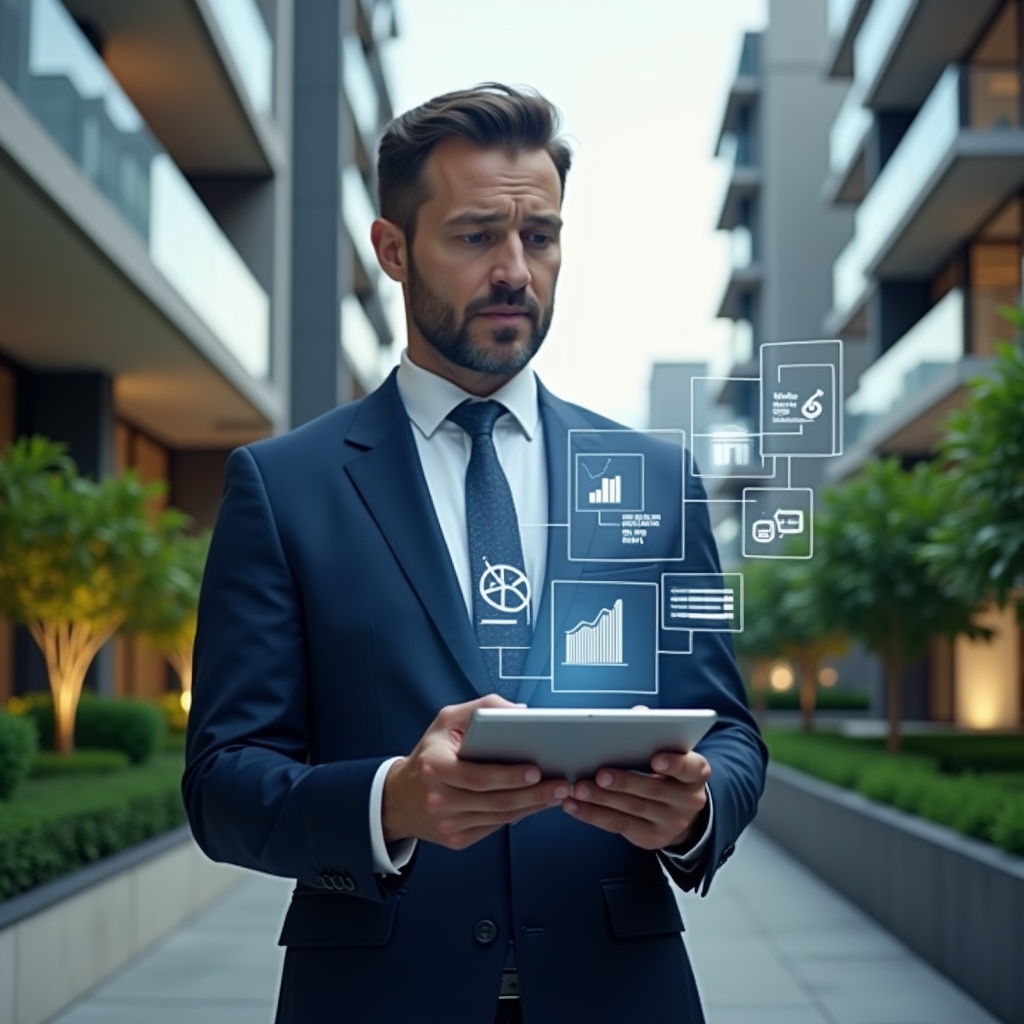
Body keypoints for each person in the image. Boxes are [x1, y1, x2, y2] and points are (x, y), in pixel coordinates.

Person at [183, 83, 767, 1024]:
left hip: (622, 993)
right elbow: (222, 784)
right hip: (375, 998)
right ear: (392, 249)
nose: (515, 271)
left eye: (540, 236)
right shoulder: (283, 486)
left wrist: (696, 814)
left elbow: (731, 732)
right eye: (475, 236)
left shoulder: (656, 479)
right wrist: (392, 803)